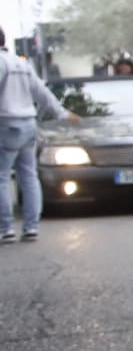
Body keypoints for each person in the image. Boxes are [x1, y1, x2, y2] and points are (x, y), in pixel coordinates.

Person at [0, 41, 72, 245]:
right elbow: (42, 92)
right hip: (28, 123)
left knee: (2, 177)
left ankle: (6, 229)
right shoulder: (21, 63)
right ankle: (31, 226)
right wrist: (62, 113)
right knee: (29, 175)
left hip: (5, 123)